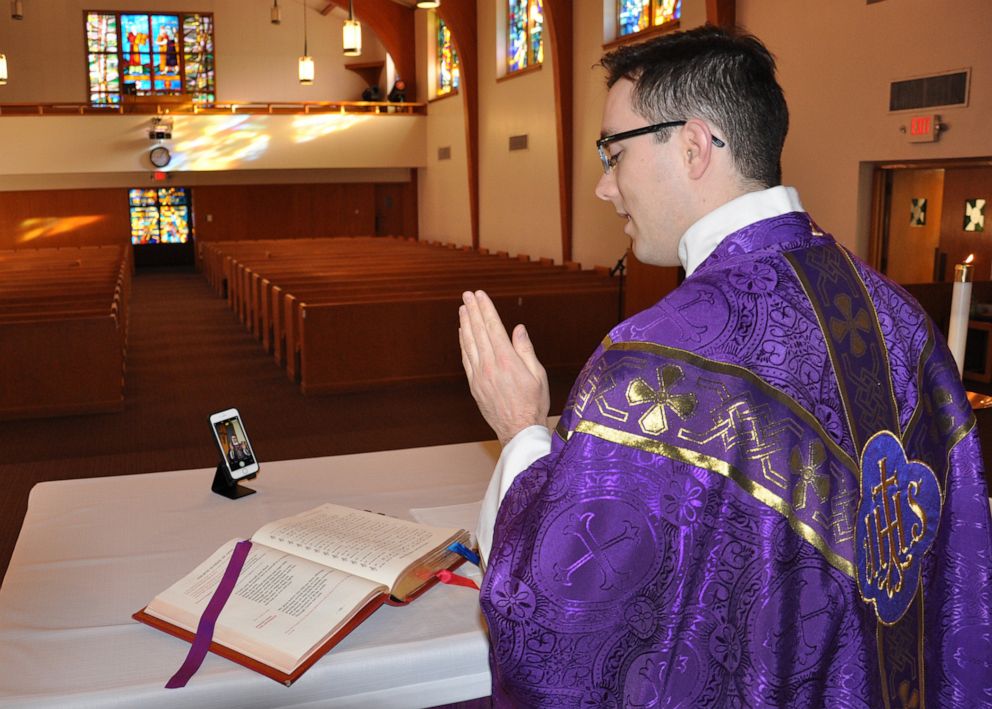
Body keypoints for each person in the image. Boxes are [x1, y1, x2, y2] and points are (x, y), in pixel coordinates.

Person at [458, 26, 992, 707]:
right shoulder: (900, 320)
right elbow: (960, 577)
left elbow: (558, 630)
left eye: (612, 152)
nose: (602, 186)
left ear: (693, 144)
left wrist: (521, 432)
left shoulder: (653, 366)